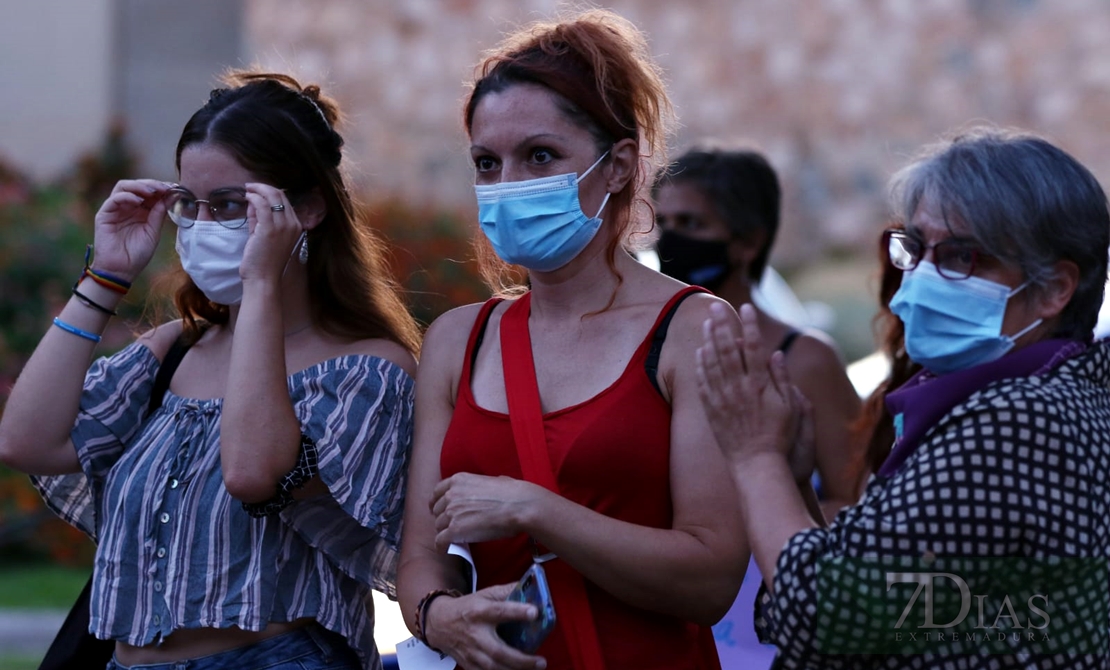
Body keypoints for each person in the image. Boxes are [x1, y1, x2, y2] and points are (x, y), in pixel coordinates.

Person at [0, 71, 421, 670]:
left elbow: (252, 472)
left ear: (306, 208)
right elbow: (25, 440)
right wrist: (105, 278)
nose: (201, 224)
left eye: (229, 204)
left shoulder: (364, 369)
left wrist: (259, 285)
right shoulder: (178, 349)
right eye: (188, 205)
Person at [396, 9, 747, 670]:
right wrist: (438, 617)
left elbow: (710, 579)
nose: (507, 185)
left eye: (540, 156)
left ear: (616, 167)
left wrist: (537, 510)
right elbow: (422, 556)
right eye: (486, 162)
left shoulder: (692, 329)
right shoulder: (458, 339)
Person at [696, 126, 1110, 668]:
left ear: (1055, 288)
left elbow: (826, 613)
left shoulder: (1017, 417)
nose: (921, 277)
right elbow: (898, 608)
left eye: (963, 257)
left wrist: (754, 456)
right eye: (915, 247)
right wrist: (795, 481)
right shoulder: (1035, 397)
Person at [651, 144, 864, 519]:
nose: (671, 242)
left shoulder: (805, 359)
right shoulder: (648, 344)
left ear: (748, 242)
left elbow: (853, 500)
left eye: (691, 224)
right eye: (663, 224)